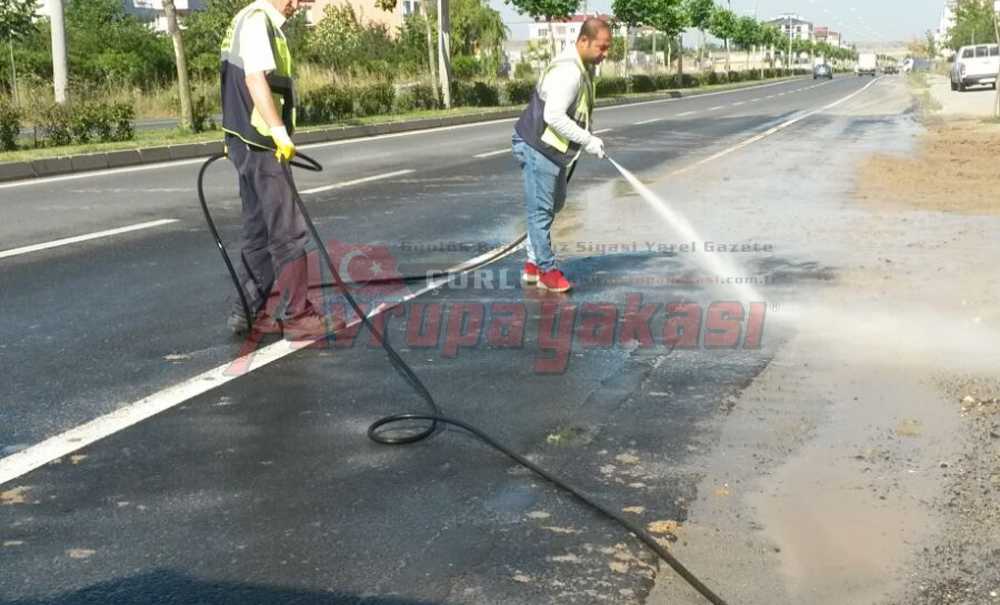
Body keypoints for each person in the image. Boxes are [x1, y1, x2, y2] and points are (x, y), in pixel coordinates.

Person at [220, 0, 343, 339]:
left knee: (257, 230)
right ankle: (298, 315)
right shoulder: (258, 22)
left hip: (245, 141)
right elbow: (254, 78)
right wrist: (278, 132)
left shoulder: (244, 18)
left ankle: (248, 311)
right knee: (288, 231)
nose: (303, 4)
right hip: (261, 143)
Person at [512, 17, 612, 293]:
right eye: (601, 47)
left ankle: (533, 263)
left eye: (607, 48)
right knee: (541, 211)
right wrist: (587, 140)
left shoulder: (582, 67)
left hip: (552, 150)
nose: (605, 54)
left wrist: (587, 137)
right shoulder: (569, 72)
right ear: (584, 41)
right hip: (536, 146)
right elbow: (553, 115)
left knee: (552, 205)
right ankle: (546, 270)